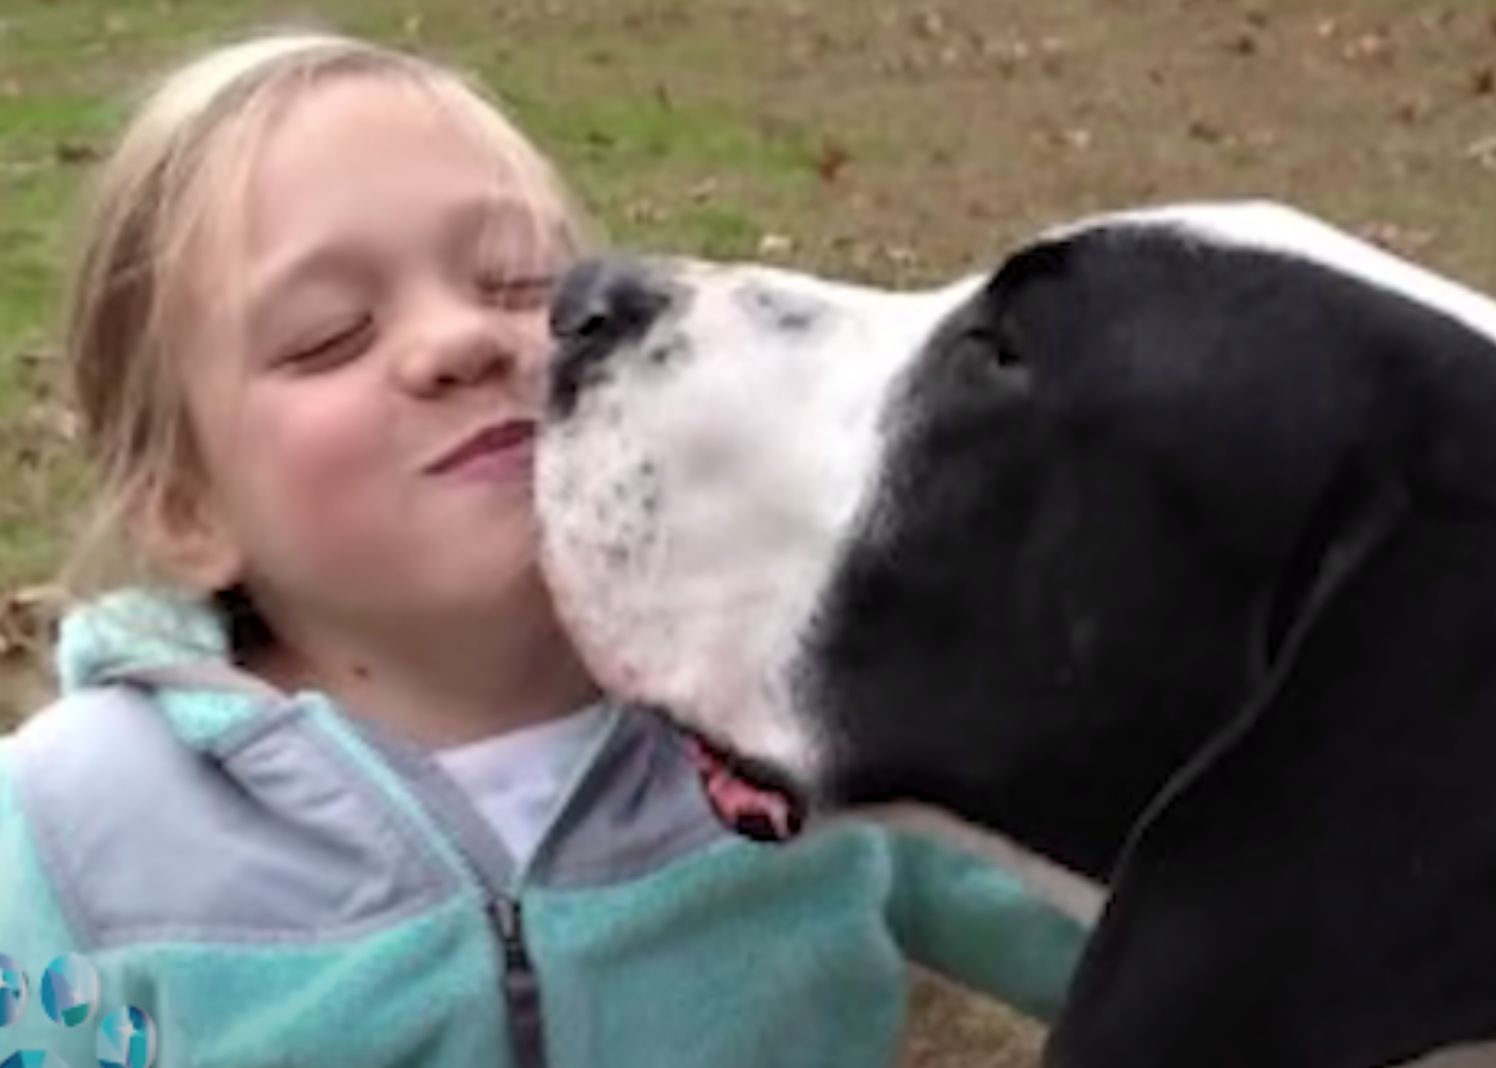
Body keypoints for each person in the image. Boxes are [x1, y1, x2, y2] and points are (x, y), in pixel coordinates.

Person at [0, 31, 1087, 1067]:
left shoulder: (796, 702)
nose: (462, 338)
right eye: (330, 332)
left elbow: (1161, 945)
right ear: (188, 507)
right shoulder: (67, 838)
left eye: (519, 284)